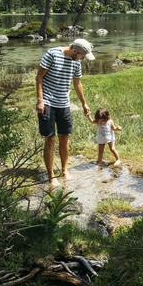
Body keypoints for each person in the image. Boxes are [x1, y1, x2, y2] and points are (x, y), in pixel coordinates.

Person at [36, 38, 95, 186]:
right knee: (50, 139)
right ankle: (50, 175)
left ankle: (64, 170)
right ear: (74, 51)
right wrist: (40, 100)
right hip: (48, 102)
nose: (83, 59)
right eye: (82, 55)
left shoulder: (76, 61)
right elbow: (39, 77)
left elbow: (77, 83)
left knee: (64, 137)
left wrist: (84, 104)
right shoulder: (52, 54)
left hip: (64, 103)